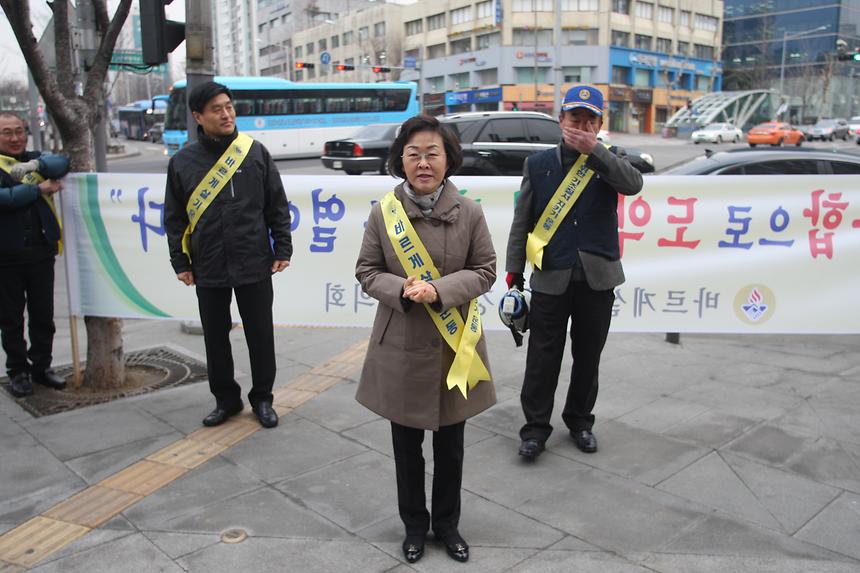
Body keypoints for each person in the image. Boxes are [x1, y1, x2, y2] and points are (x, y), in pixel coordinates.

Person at [355, 115, 496, 564]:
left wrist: (440, 290)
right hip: (401, 347)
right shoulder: (384, 213)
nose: (423, 162)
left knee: (451, 447)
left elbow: (485, 271)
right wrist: (400, 289)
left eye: (432, 153)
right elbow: (367, 271)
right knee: (406, 448)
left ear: (448, 158)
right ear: (401, 159)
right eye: (413, 154)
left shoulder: (470, 212)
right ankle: (415, 526)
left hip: (455, 350)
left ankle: (448, 525)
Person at [506, 86, 643, 459]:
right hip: (551, 275)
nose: (582, 126)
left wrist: (594, 151)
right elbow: (523, 222)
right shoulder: (538, 164)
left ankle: (580, 422)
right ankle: (535, 429)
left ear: (600, 124)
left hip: (598, 279)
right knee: (542, 358)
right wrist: (513, 273)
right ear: (560, 120)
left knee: (588, 356)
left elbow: (633, 185)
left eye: (590, 120)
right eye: (575, 118)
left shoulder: (610, 160)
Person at [164, 82, 292, 429]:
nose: (226, 114)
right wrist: (181, 261)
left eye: (229, 107)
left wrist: (283, 247)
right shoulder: (183, 162)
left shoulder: (254, 153)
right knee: (215, 337)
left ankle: (262, 399)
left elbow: (276, 205)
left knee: (260, 334)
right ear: (198, 117)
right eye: (217, 109)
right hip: (208, 264)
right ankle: (226, 400)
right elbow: (175, 218)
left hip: (253, 260)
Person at [0, 112, 69, 397]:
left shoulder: (34, 160)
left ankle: (42, 366)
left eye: (19, 131)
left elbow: (62, 163)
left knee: (44, 315)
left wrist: (37, 164)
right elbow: (7, 199)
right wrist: (38, 188)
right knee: (11, 320)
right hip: (6, 256)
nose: (15, 138)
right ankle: (18, 371)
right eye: (7, 132)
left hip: (41, 252)